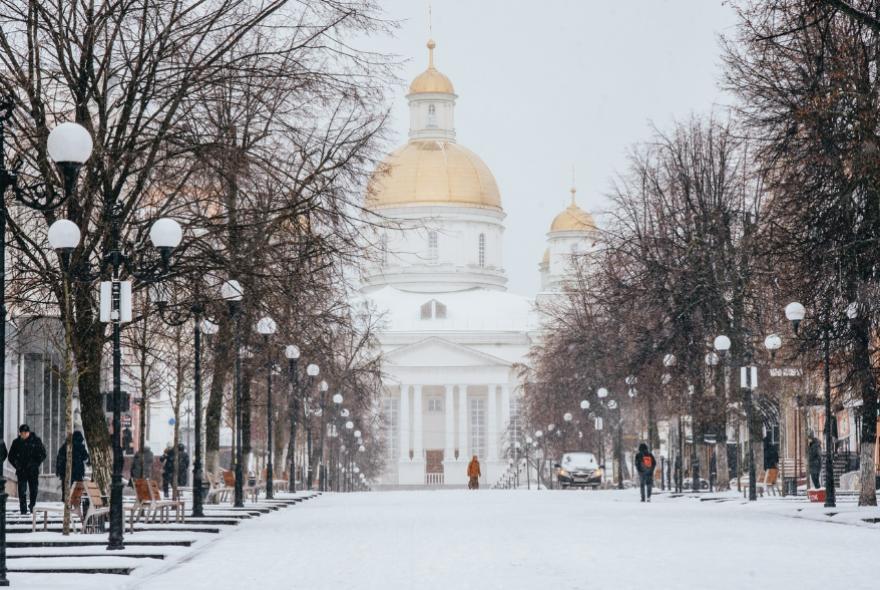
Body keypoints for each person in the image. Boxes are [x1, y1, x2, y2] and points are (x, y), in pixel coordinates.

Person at [8, 424, 47, 514]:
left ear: (28, 432)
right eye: (22, 433)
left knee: (33, 490)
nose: (24, 434)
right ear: (20, 433)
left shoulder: (36, 441)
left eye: (25, 433)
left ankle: (32, 505)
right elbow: (11, 456)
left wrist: (35, 464)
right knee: (22, 491)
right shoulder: (16, 442)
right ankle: (23, 509)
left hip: (33, 471)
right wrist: (17, 465)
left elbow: (43, 454)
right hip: (21, 471)